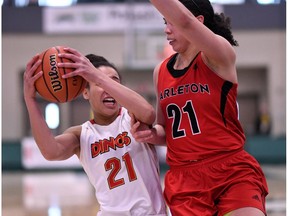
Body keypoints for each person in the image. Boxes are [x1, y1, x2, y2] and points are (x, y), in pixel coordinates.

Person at [130, 0, 269, 215]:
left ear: (199, 22)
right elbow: (165, 130)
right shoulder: (161, 71)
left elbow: (185, 21)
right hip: (185, 181)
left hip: (230, 170)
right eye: (165, 22)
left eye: (172, 22)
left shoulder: (218, 54)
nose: (166, 29)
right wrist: (149, 133)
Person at [23, 49, 167, 216]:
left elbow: (149, 113)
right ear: (85, 92)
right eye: (99, 83)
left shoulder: (132, 117)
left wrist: (98, 77)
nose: (108, 87)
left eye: (113, 81)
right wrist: (30, 100)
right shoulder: (81, 134)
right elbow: (50, 151)